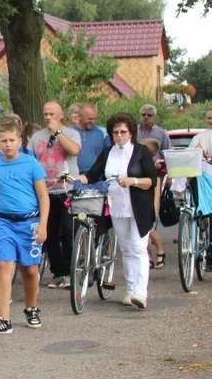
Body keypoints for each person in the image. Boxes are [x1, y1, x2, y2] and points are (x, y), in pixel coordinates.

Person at [80, 112, 158, 309]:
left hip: (139, 206)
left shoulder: (141, 152)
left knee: (138, 247)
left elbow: (152, 180)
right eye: (115, 132)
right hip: (116, 206)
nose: (119, 135)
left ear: (131, 133)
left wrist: (134, 181)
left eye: (123, 131)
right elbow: (92, 174)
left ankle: (141, 292)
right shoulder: (108, 152)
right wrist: (75, 178)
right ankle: (131, 290)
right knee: (126, 249)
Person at [0, 116, 50, 335]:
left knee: (29, 269)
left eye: (11, 140)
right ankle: (3, 317)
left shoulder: (31, 164)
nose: (8, 145)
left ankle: (31, 307)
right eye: (4, 141)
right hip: (2, 222)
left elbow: (43, 196)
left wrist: (43, 225)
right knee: (2, 266)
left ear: (19, 142)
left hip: (29, 222)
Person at [28, 101, 82, 290]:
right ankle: (58, 272)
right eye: (45, 114)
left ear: (60, 115)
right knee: (49, 232)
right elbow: (30, 159)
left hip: (66, 189)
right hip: (45, 191)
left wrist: (58, 133)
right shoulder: (37, 137)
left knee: (68, 230)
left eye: (52, 114)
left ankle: (70, 271)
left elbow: (74, 150)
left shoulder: (72, 133)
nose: (48, 118)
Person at [139, 137, 167, 269]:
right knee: (144, 234)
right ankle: (148, 257)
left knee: (150, 230)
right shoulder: (140, 165)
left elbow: (156, 192)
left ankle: (160, 250)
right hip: (140, 203)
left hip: (149, 205)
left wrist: (155, 207)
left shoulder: (153, 170)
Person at [74, 102, 109, 177]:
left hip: (98, 176)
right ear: (80, 117)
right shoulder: (70, 132)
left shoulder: (102, 132)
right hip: (77, 177)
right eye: (89, 119)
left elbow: (110, 153)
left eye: (95, 119)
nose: (92, 121)